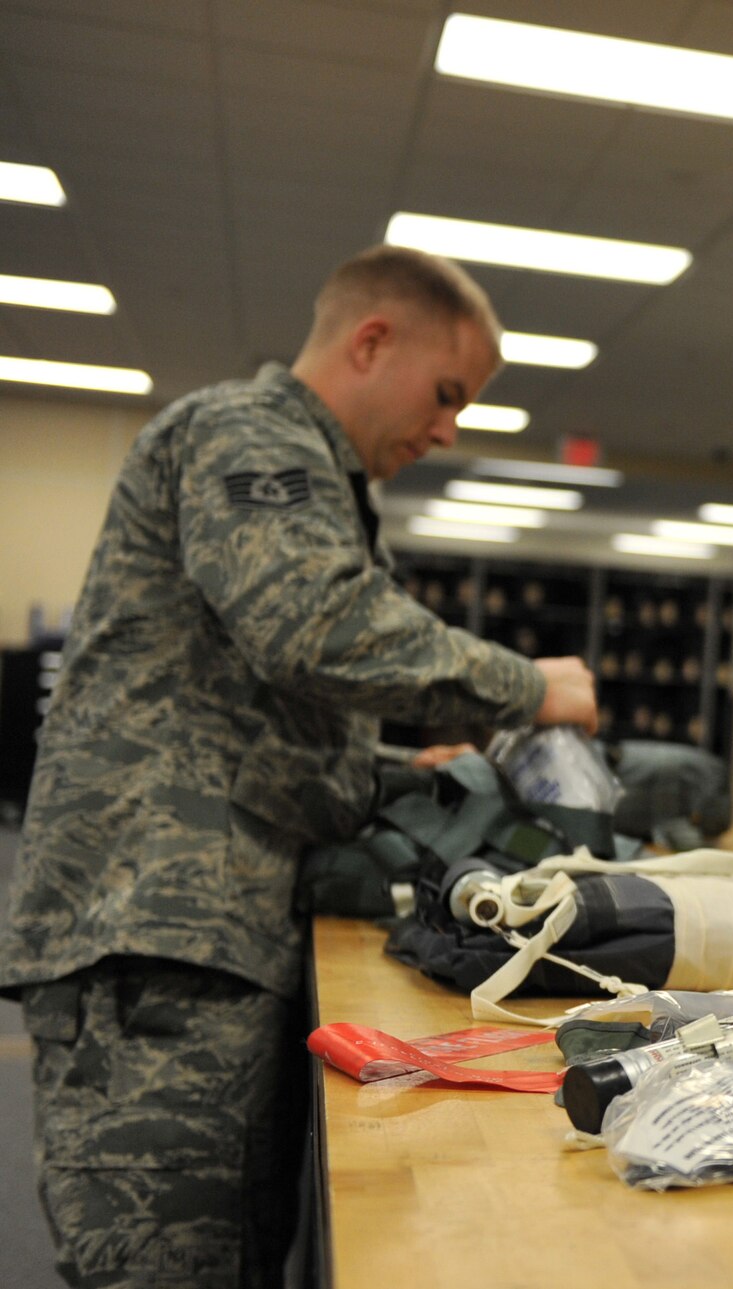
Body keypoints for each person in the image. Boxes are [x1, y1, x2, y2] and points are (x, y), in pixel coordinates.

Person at [0, 244, 599, 1287]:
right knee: (170, 1262)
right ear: (372, 341)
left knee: (236, 1246)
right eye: (447, 393)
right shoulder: (249, 428)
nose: (449, 427)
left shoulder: (315, 476)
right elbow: (310, 624)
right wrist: (526, 685)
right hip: (161, 937)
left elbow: (253, 701)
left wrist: (385, 759)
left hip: (214, 931)